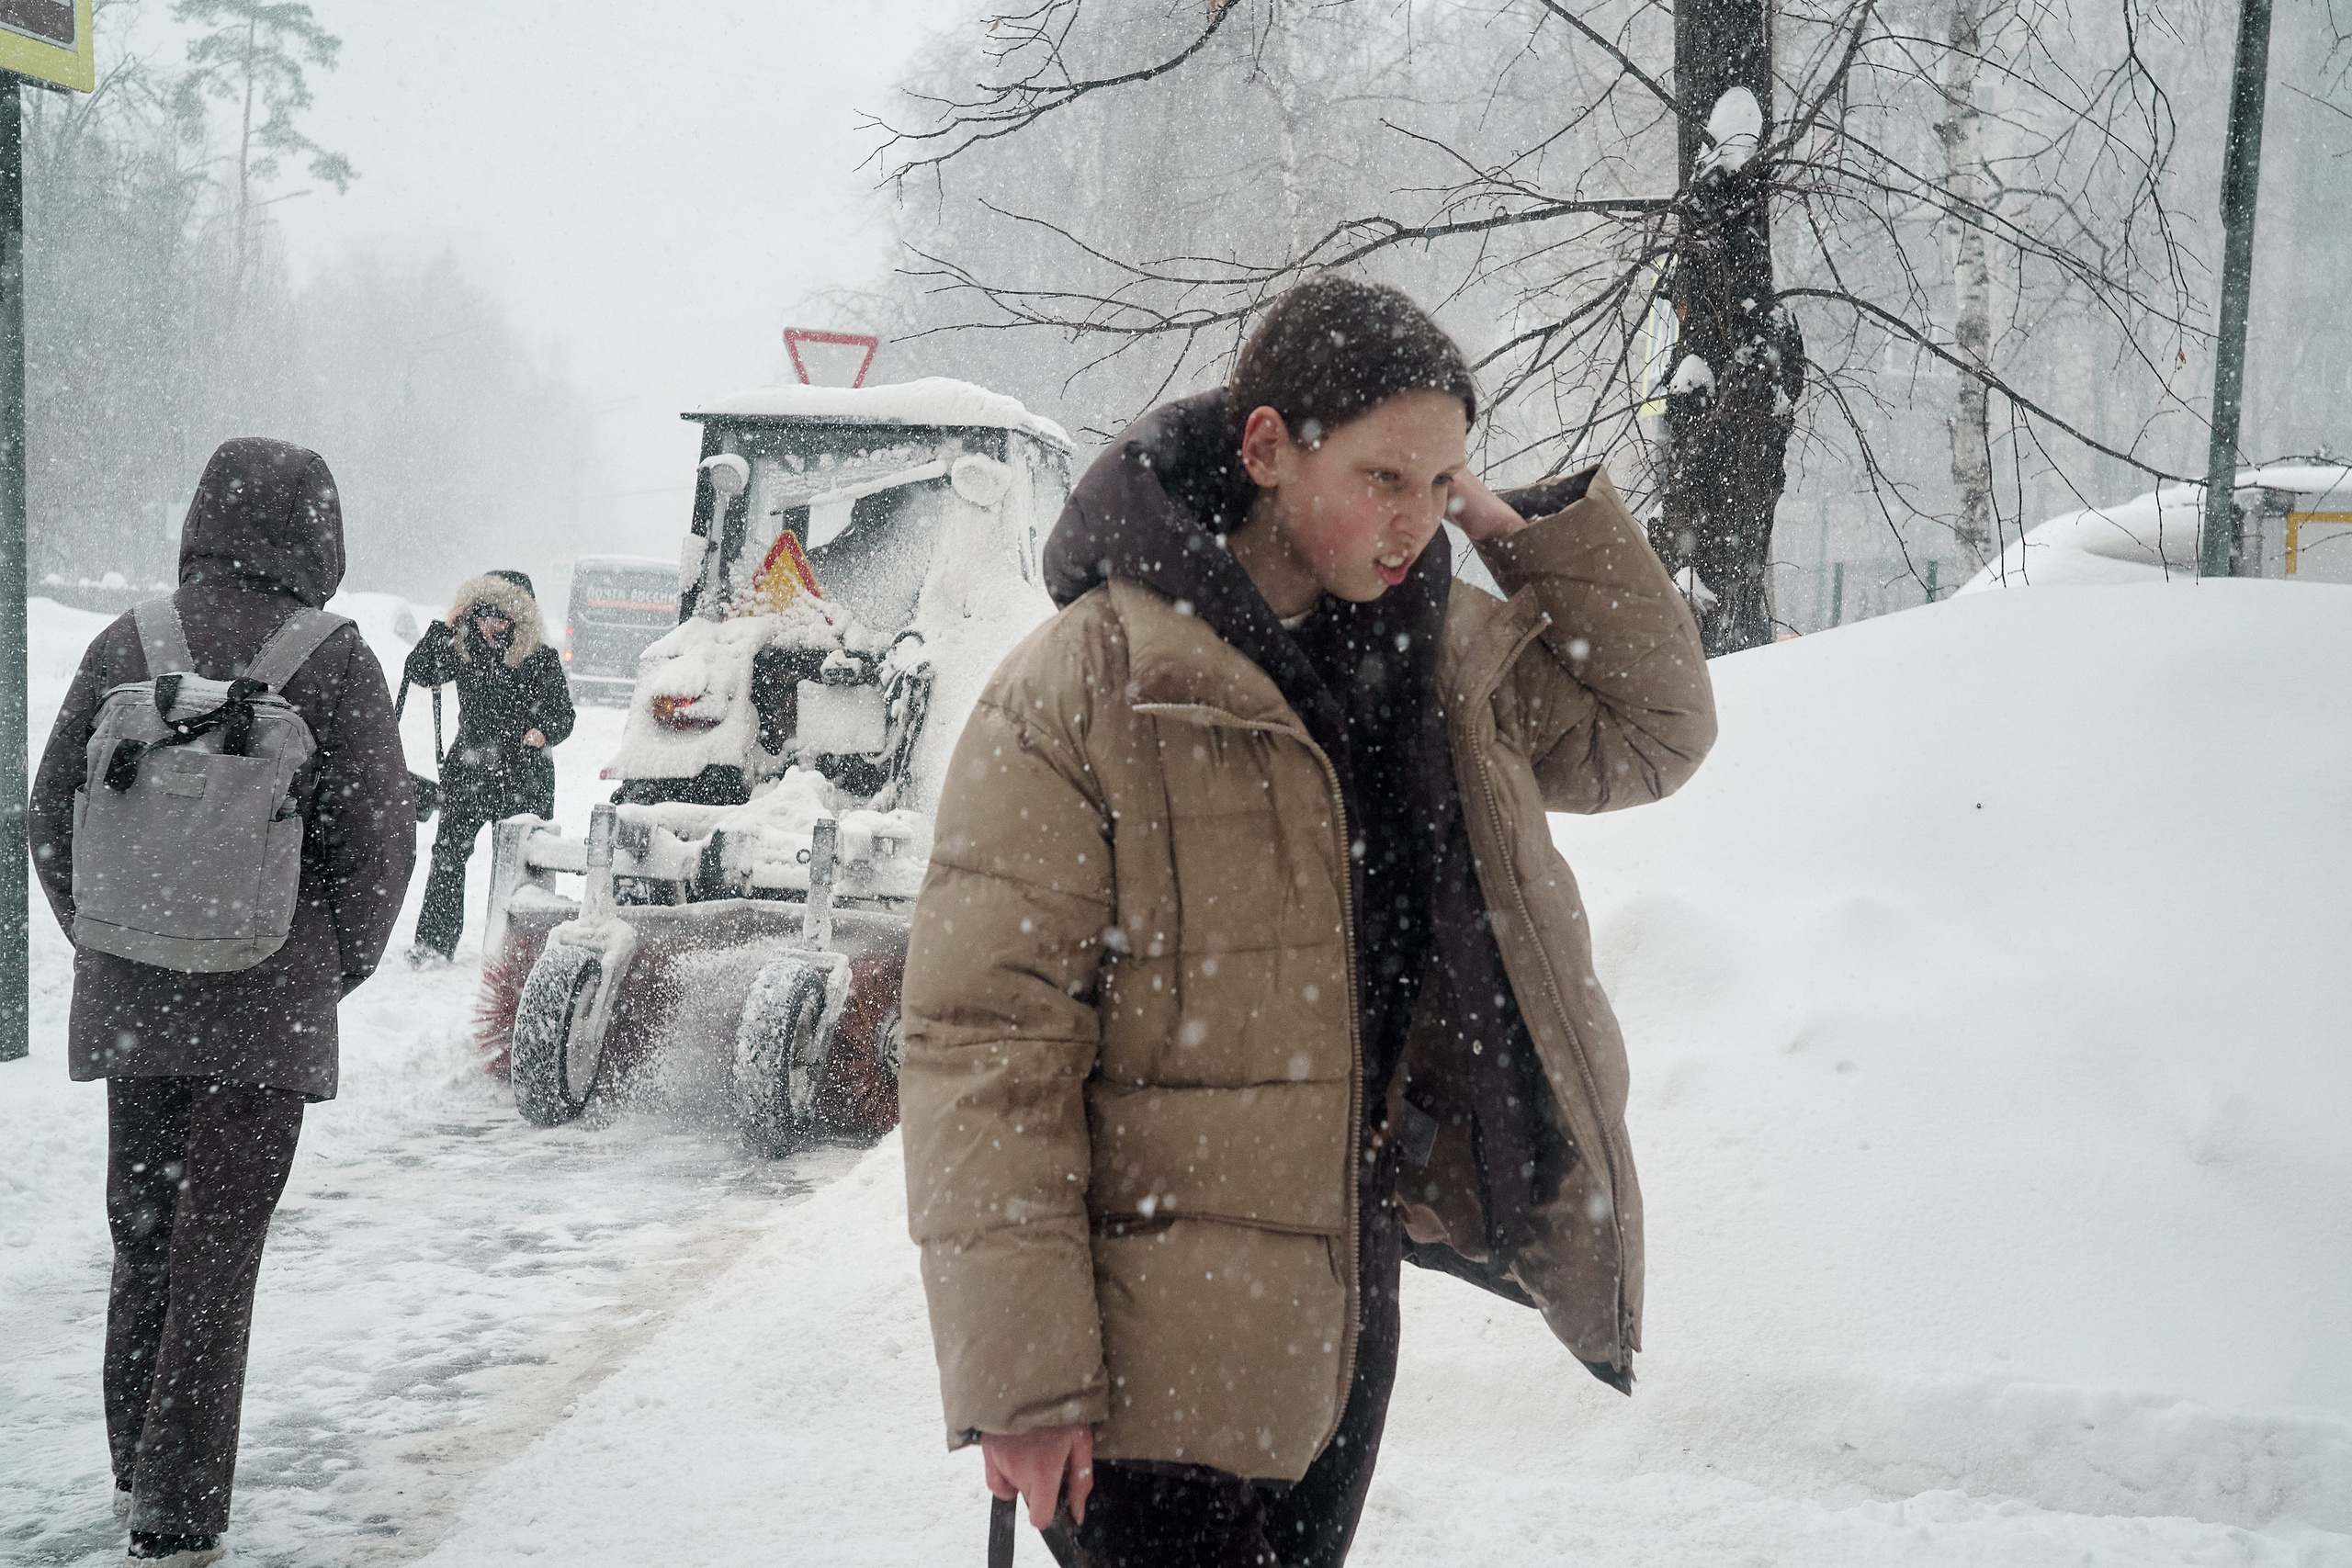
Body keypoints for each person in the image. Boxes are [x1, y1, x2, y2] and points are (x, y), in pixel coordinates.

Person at [898, 276, 1718, 1567]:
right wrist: (1024, 1374)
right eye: (1386, 475)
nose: (1415, 519)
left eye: (1442, 481)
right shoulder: (1089, 683)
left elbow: (1654, 734)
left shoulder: (1438, 660)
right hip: (1140, 1355)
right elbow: (986, 1047)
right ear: (1269, 446)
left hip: (1337, 1315)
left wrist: (1521, 531)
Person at [28, 437, 416, 1567]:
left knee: (142, 1232)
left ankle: (130, 1465)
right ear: (320, 537)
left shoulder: (127, 640)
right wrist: (316, 966)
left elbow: (52, 810)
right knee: (218, 1250)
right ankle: (180, 1504)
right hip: (262, 1010)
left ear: (203, 517)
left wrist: (113, 936)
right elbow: (377, 846)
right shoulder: (334, 659)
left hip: (135, 1004)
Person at [401, 569, 575, 964]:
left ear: (518, 618)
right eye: (482, 616)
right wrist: (446, 627)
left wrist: (543, 732)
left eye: (498, 617)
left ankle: (519, 951)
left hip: (524, 776)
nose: (489, 626)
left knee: (523, 868)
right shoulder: (462, 648)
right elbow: (419, 671)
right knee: (448, 854)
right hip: (470, 770)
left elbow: (564, 715)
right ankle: (433, 945)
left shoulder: (541, 659)